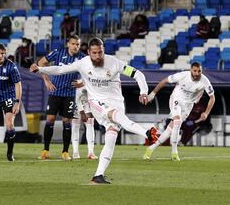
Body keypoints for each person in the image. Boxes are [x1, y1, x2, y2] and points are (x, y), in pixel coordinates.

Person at [30, 37, 158, 184]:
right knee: (113, 115)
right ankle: (146, 133)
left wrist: (143, 92)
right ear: (89, 52)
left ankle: (98, 175)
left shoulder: (114, 63)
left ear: (104, 50)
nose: (98, 56)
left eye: (100, 52)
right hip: (97, 103)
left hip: (116, 102)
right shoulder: (82, 63)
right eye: (95, 53)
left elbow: (138, 74)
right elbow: (60, 69)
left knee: (111, 137)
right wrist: (40, 69)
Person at [144, 62, 215, 161]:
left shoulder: (205, 81)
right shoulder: (182, 75)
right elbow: (165, 80)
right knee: (177, 121)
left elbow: (212, 98)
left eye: (199, 71)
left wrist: (206, 113)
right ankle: (174, 152)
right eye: (195, 71)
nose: (197, 73)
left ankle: (151, 148)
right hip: (176, 99)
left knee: (171, 128)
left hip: (188, 106)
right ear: (191, 70)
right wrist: (152, 94)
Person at [36, 34, 84, 161]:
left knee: (67, 122)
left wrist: (82, 83)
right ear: (68, 44)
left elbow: (91, 73)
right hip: (55, 92)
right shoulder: (58, 53)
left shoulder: (83, 58)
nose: (75, 46)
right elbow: (41, 62)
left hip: (69, 94)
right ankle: (45, 150)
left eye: (78, 44)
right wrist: (46, 81)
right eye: (73, 44)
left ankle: (65, 152)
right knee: (50, 119)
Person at [71, 80, 98, 160]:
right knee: (75, 126)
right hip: (76, 104)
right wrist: (82, 113)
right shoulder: (80, 83)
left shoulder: (96, 83)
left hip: (87, 104)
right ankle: (75, 152)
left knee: (90, 125)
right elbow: (77, 98)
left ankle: (91, 152)